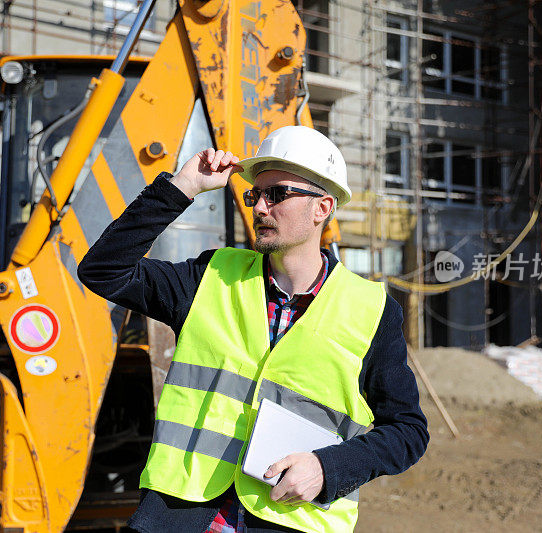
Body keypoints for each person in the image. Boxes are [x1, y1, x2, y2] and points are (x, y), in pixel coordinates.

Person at [77, 125, 428, 533]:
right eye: (254, 195)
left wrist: (326, 468)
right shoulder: (210, 277)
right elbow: (103, 270)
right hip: (180, 517)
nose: (259, 207)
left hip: (293, 520)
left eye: (277, 194)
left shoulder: (370, 310)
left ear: (323, 207)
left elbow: (407, 431)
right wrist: (183, 186)